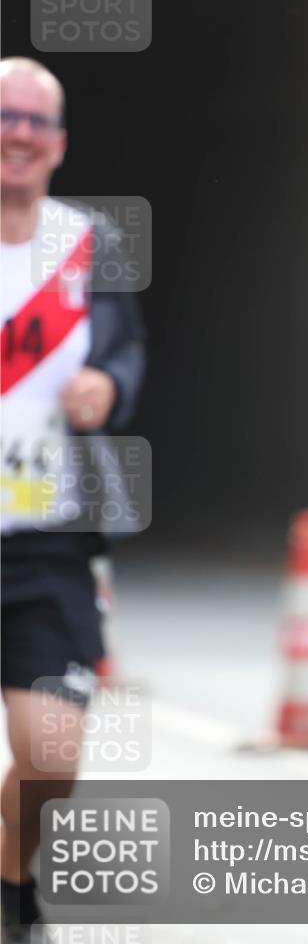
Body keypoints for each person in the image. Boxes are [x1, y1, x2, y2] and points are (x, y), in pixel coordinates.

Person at [0, 57, 146, 941]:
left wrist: (108, 385)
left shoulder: (88, 245)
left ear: (58, 144)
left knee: (52, 756)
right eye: (3, 115)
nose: (17, 132)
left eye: (35, 120)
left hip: (48, 538)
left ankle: (12, 877)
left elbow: (127, 349)